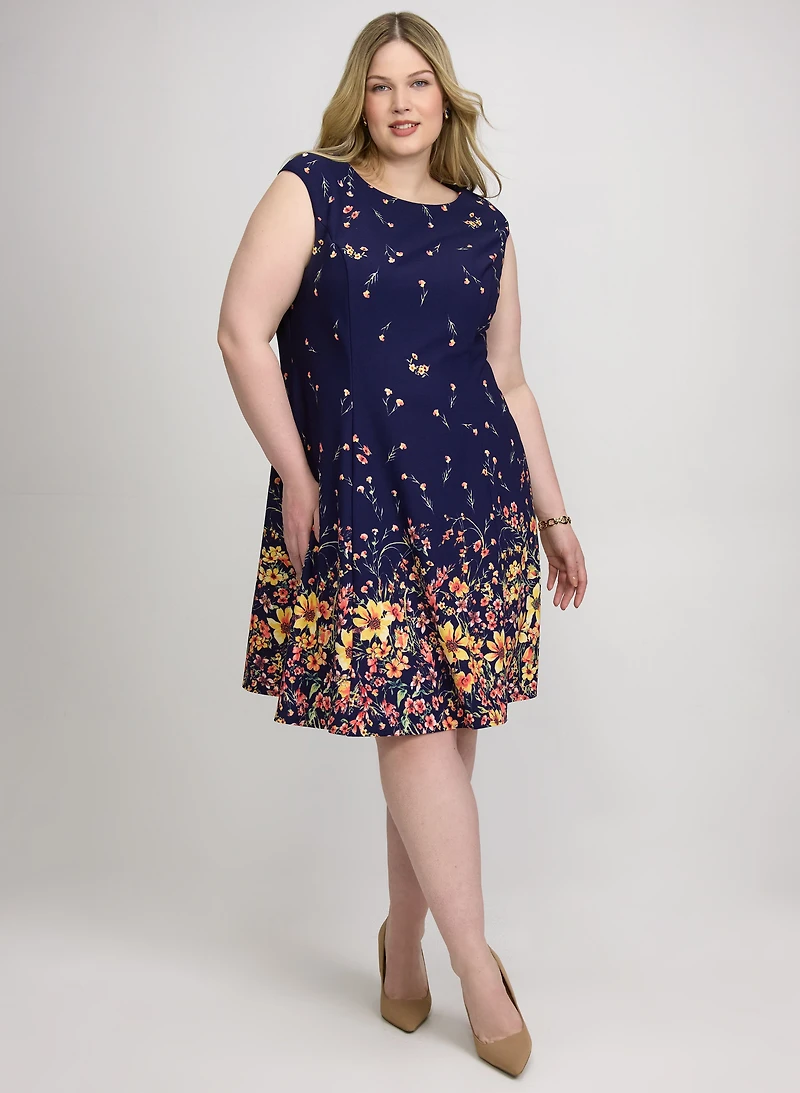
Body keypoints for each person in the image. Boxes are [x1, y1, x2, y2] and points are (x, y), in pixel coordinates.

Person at [217, 11, 587, 1079]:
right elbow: (241, 331)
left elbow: (508, 381)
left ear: (444, 96)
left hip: (478, 511)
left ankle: (405, 949)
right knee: (414, 733)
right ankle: (479, 972)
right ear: (358, 99)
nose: (399, 102)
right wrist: (297, 472)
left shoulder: (484, 229)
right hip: (365, 502)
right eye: (379, 85)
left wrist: (556, 517)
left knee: (444, 739)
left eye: (417, 82)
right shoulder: (310, 190)